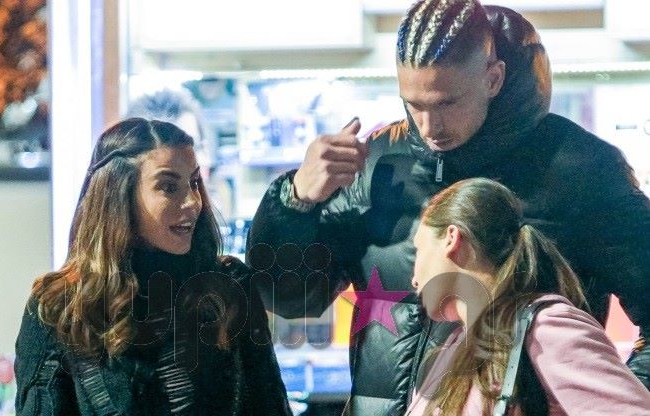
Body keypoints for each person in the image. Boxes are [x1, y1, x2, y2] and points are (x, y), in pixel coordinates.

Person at [247, 0, 650, 414]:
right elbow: (289, 299)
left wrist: (604, 397)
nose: (429, 127)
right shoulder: (376, 164)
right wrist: (296, 200)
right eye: (414, 104)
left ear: (493, 78)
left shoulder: (580, 170)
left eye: (447, 103)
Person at [15, 118, 291, 415]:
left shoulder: (230, 286)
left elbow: (270, 405)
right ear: (119, 195)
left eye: (194, 183)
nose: (193, 202)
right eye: (169, 186)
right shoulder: (59, 305)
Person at [405, 178, 650, 415]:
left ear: (451, 239)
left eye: (419, 250)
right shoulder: (457, 344)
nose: (414, 279)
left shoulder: (546, 329)